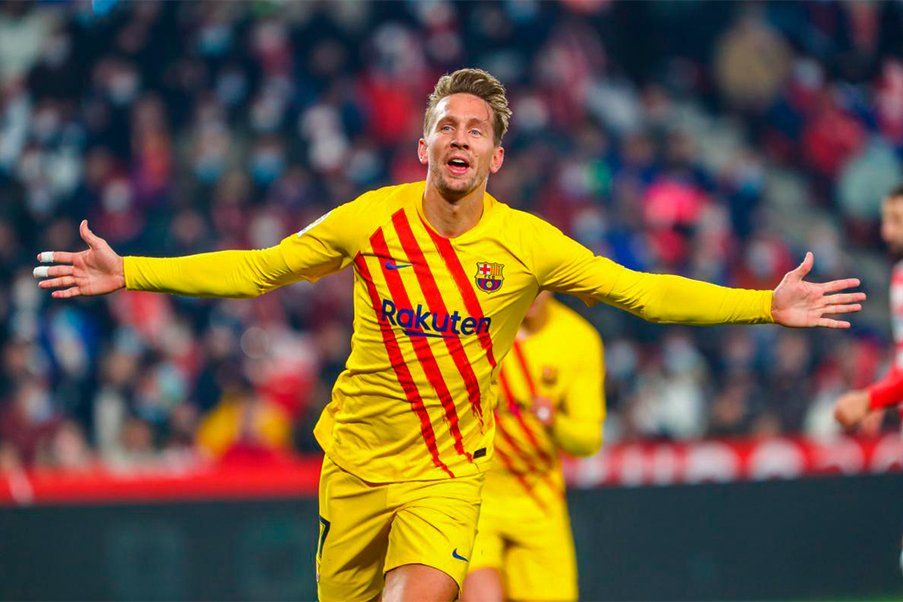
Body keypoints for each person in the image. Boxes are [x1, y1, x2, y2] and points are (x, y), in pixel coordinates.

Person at [34, 68, 864, 602]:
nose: (460, 137)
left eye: (477, 129)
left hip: (445, 475)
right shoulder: (371, 220)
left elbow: (641, 293)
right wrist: (132, 270)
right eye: (448, 124)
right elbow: (258, 270)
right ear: (423, 142)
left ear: (495, 157)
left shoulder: (528, 243)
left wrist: (763, 305)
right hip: (354, 466)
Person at [461, 291, 603, 602]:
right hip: (476, 492)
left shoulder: (578, 339)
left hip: (538, 498)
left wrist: (554, 423)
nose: (534, 292)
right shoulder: (474, 327)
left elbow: (588, 440)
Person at [834, 185, 903, 429]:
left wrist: (869, 399)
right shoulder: (899, 276)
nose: (886, 232)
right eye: (886, 220)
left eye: (896, 220)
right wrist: (880, 399)